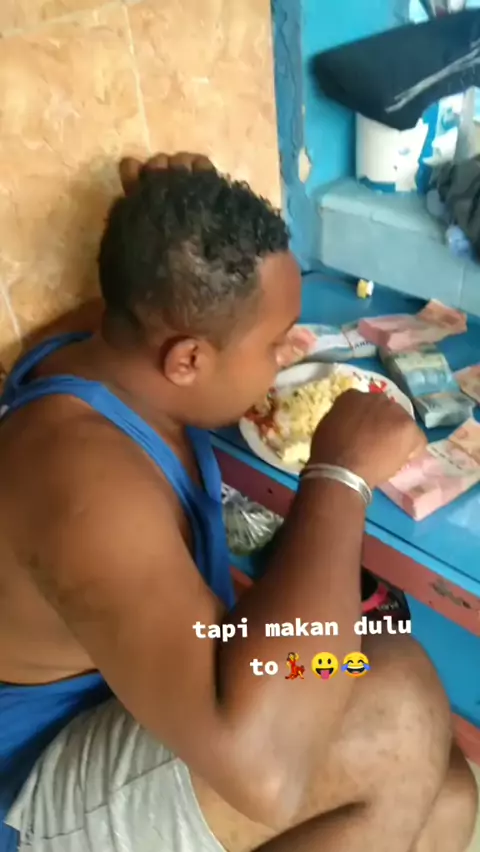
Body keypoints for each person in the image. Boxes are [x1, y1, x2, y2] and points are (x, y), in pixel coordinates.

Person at [0, 152, 477, 852]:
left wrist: (169, 228)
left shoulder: (107, 345)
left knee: (446, 781)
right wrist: (340, 475)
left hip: (181, 670)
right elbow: (266, 773)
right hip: (43, 786)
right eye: (274, 343)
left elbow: (163, 291)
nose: (289, 355)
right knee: (396, 705)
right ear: (188, 360)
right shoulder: (87, 488)